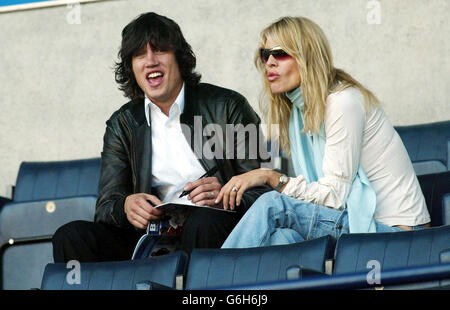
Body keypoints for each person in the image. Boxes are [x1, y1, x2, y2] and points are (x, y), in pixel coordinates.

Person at [52, 12, 270, 263]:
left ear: (179, 58)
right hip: (151, 237)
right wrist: (125, 207)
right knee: (71, 236)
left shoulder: (229, 105)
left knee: (203, 221)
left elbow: (265, 191)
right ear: (131, 67)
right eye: (139, 55)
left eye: (160, 51)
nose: (150, 61)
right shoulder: (122, 124)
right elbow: (105, 207)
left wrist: (224, 195)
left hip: (215, 228)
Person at [216, 16, 431, 249]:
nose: (269, 62)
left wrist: (270, 177)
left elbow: (333, 197)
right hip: (352, 221)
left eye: (279, 53)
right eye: (264, 54)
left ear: (307, 56)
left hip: (398, 233)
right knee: (282, 239)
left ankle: (215, 279)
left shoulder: (342, 102)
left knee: (272, 205)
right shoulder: (297, 111)